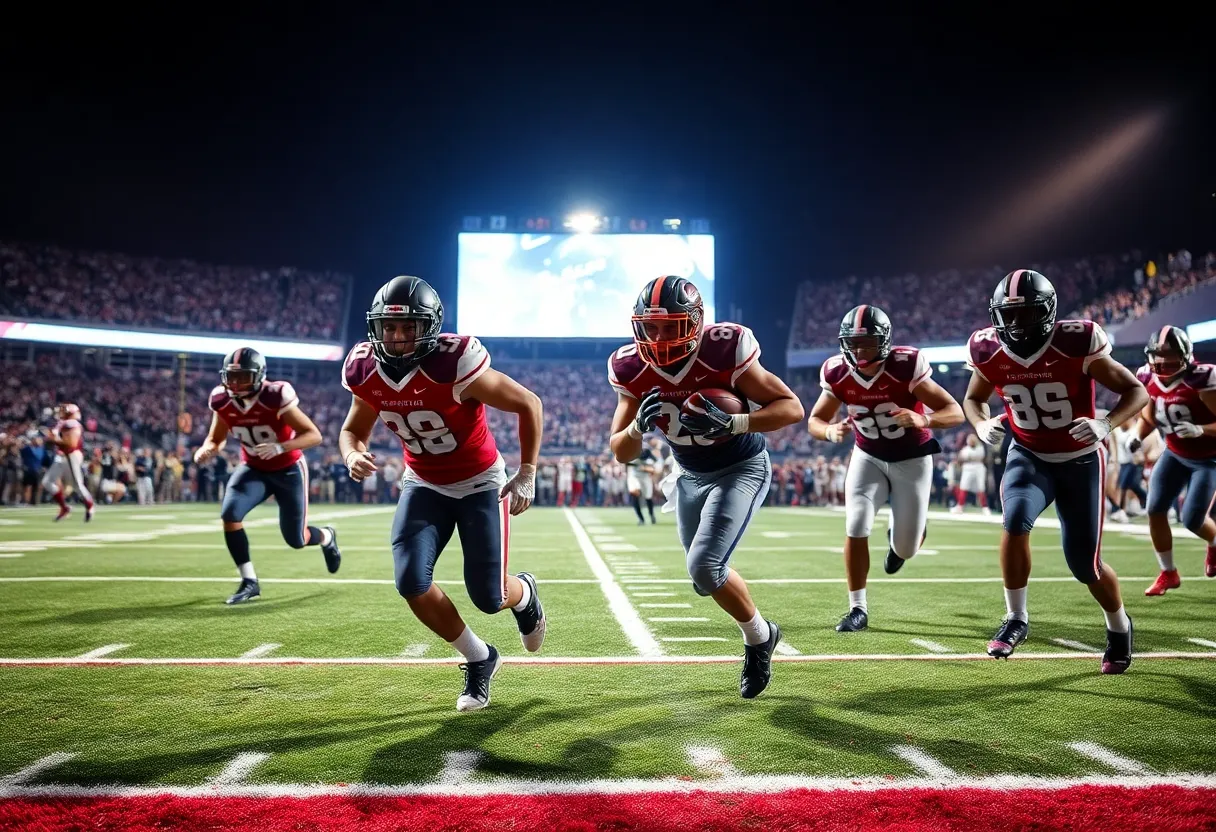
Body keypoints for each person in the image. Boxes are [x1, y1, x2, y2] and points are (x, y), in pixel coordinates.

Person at [339, 275, 545, 712]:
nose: (396, 339)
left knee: (489, 597)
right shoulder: (365, 369)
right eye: (389, 328)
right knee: (411, 580)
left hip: (479, 482)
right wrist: (351, 453)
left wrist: (527, 472)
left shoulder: (454, 363)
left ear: (428, 328)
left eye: (408, 328)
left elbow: (529, 403)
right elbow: (352, 430)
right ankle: (479, 657)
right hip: (424, 483)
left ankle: (523, 593)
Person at [608, 275, 804, 698]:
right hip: (688, 474)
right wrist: (637, 430)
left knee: (704, 568)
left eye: (671, 327)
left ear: (695, 323)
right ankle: (761, 631)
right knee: (703, 581)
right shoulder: (629, 366)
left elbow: (791, 407)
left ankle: (758, 637)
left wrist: (736, 422)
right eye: (651, 327)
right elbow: (620, 451)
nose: (659, 338)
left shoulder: (725, 348)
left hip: (740, 467)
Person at [963, 269, 1148, 674]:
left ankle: (1119, 626)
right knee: (1014, 521)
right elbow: (973, 398)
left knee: (1085, 564)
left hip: (1080, 460)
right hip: (1028, 453)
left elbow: (1137, 390)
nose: (1014, 324)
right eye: (1007, 315)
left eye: (1025, 314)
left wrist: (1105, 424)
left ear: (1046, 312)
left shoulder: (1075, 341)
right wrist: (979, 423)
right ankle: (1016, 617)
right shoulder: (987, 348)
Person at [808, 305, 964, 632]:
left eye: (867, 342)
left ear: (883, 341)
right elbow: (815, 420)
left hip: (912, 458)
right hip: (868, 457)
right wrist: (829, 431)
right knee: (856, 523)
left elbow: (954, 411)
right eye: (853, 342)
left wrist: (924, 418)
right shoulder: (837, 372)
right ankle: (857, 609)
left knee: (906, 548)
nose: (859, 350)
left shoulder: (905, 366)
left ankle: (904, 536)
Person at [194, 347, 342, 605]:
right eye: (232, 376)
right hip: (254, 468)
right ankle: (249, 581)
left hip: (288, 469)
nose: (237, 383)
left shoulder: (275, 396)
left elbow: (313, 435)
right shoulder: (221, 399)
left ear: (259, 376)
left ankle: (327, 536)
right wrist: (207, 449)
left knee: (297, 540)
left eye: (244, 377)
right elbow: (215, 438)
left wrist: (281, 446)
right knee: (230, 515)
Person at [1131, 325, 1216, 595]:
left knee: (1192, 519)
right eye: (1159, 355)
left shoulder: (1202, 379)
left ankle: (1214, 543)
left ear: (1186, 356)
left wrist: (1202, 429)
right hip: (1174, 453)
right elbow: (1148, 417)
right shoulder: (1145, 377)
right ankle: (1168, 572)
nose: (1164, 361)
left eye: (1171, 355)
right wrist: (1137, 435)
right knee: (1154, 509)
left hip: (1208, 459)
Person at [41, 403, 95, 522]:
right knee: (47, 482)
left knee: (77, 485)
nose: (60, 412)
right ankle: (64, 508)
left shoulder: (72, 424)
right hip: (62, 455)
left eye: (63, 411)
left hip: (71, 454)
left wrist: (54, 439)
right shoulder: (62, 423)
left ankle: (90, 506)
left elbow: (71, 444)